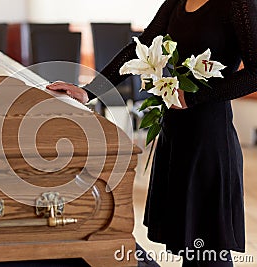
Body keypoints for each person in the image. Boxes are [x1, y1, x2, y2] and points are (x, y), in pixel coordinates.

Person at [47, 0, 257, 266]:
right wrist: (90, 91)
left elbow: (255, 73)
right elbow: (140, 48)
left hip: (209, 140)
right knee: (188, 246)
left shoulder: (238, 4)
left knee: (210, 251)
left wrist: (194, 96)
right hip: (175, 135)